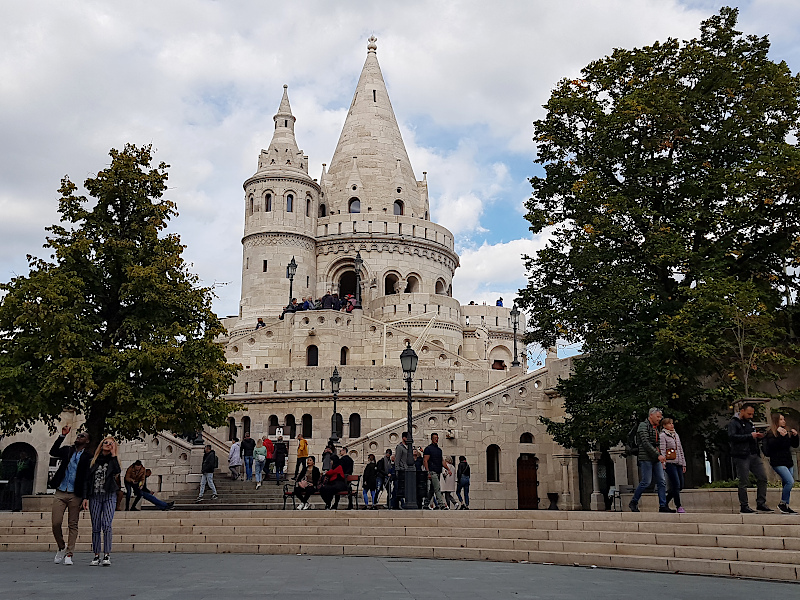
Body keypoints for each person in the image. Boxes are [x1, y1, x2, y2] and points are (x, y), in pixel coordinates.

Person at [50, 426, 92, 566]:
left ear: (87, 441)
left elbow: (87, 478)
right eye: (78, 435)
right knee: (56, 523)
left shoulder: (88, 456)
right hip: (61, 490)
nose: (79, 437)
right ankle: (61, 546)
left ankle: (69, 553)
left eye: (82, 436)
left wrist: (85, 497)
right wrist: (62, 436)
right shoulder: (68, 450)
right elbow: (53, 452)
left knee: (73, 524)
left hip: (76, 493)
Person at [82, 436, 121, 566]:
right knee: (96, 525)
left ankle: (107, 554)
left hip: (109, 495)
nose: (108, 445)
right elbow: (87, 481)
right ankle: (96, 554)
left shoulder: (113, 461)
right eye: (106, 442)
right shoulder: (93, 461)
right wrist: (85, 497)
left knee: (107, 524)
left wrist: (114, 454)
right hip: (95, 496)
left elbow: (117, 471)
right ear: (101, 444)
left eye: (111, 443)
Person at [728, 403, 772, 513]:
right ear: (742, 411)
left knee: (762, 477)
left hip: (753, 453)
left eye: (752, 414)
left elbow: (752, 435)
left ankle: (761, 503)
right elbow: (732, 437)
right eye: (749, 414)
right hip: (741, 455)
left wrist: (758, 436)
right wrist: (750, 436)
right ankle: (744, 505)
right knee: (744, 480)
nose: (751, 416)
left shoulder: (750, 423)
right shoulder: (734, 423)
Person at [629, 408, 674, 513]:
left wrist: (661, 454)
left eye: (660, 417)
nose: (660, 419)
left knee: (661, 481)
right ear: (651, 416)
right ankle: (634, 501)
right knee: (646, 481)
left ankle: (663, 505)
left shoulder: (656, 428)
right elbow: (645, 443)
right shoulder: (643, 426)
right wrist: (658, 455)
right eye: (658, 417)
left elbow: (657, 442)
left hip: (655, 457)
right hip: (645, 457)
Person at [763, 413, 799, 514]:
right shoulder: (771, 433)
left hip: (788, 461)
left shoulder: (785, 432)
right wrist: (780, 437)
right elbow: (773, 447)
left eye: (784, 419)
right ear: (776, 421)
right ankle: (782, 503)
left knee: (786, 484)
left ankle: (786, 505)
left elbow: (794, 445)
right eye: (781, 419)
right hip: (778, 461)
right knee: (790, 481)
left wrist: (795, 436)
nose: (784, 421)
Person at [659, 418, 687, 513]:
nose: (672, 425)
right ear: (664, 425)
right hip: (670, 462)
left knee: (680, 485)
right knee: (676, 484)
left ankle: (665, 502)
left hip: (678, 462)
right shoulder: (663, 436)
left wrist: (683, 463)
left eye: (672, 423)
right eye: (669, 424)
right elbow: (662, 449)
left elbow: (680, 449)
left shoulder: (676, 435)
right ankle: (678, 505)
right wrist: (663, 462)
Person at [423, 433, 445, 510]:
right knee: (437, 488)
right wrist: (428, 472)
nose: (436, 439)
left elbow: (442, 461)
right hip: (432, 471)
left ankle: (425, 504)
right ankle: (441, 504)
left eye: (437, 438)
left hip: (438, 471)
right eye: (435, 438)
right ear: (432, 439)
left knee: (432, 489)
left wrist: (448, 469)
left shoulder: (439, 450)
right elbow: (425, 460)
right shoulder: (428, 449)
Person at [394, 433, 411, 509]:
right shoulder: (400, 447)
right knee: (399, 488)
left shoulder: (408, 447)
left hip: (407, 470)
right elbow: (397, 459)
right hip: (401, 470)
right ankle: (396, 504)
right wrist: (397, 470)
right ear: (404, 438)